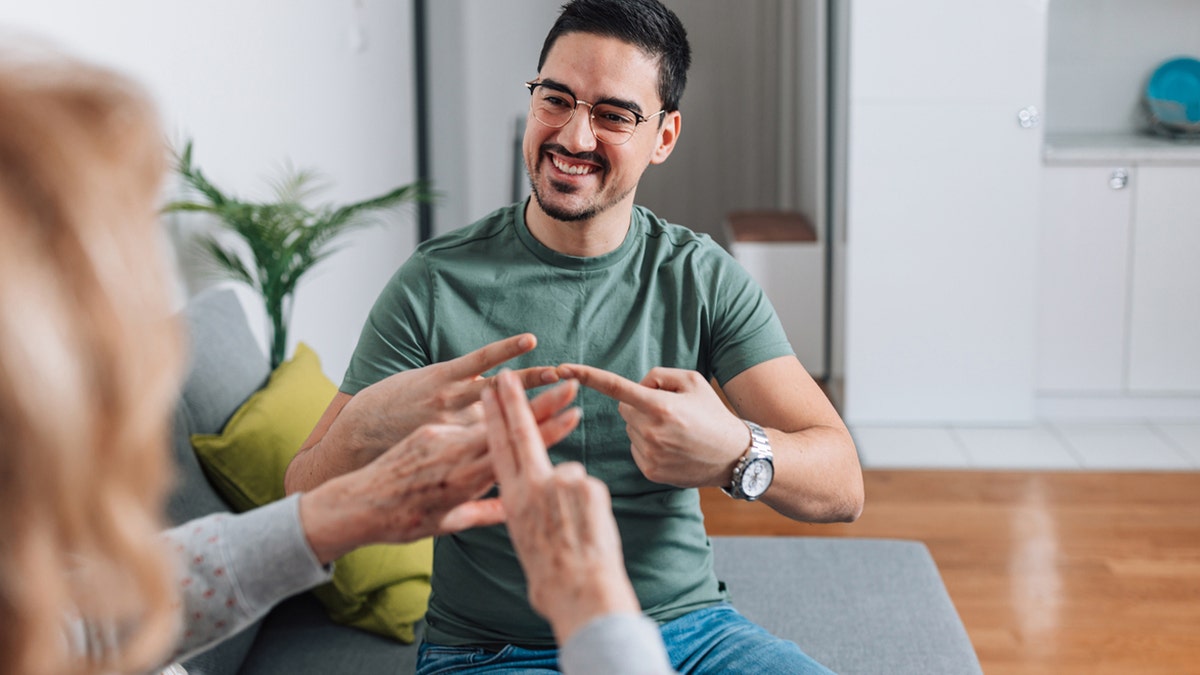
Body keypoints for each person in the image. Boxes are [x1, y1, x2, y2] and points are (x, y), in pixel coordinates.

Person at [0, 50, 652, 675]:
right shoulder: (431, 279)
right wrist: (594, 608)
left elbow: (78, 615)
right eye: (117, 289)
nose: (153, 341)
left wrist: (338, 513)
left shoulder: (26, 595)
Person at [285, 0, 864, 672]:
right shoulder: (433, 284)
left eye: (613, 115)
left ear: (665, 136)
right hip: (491, 651)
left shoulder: (702, 279)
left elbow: (844, 483)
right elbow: (297, 505)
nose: (574, 136)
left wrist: (734, 450)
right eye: (555, 100)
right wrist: (365, 429)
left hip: (693, 634)